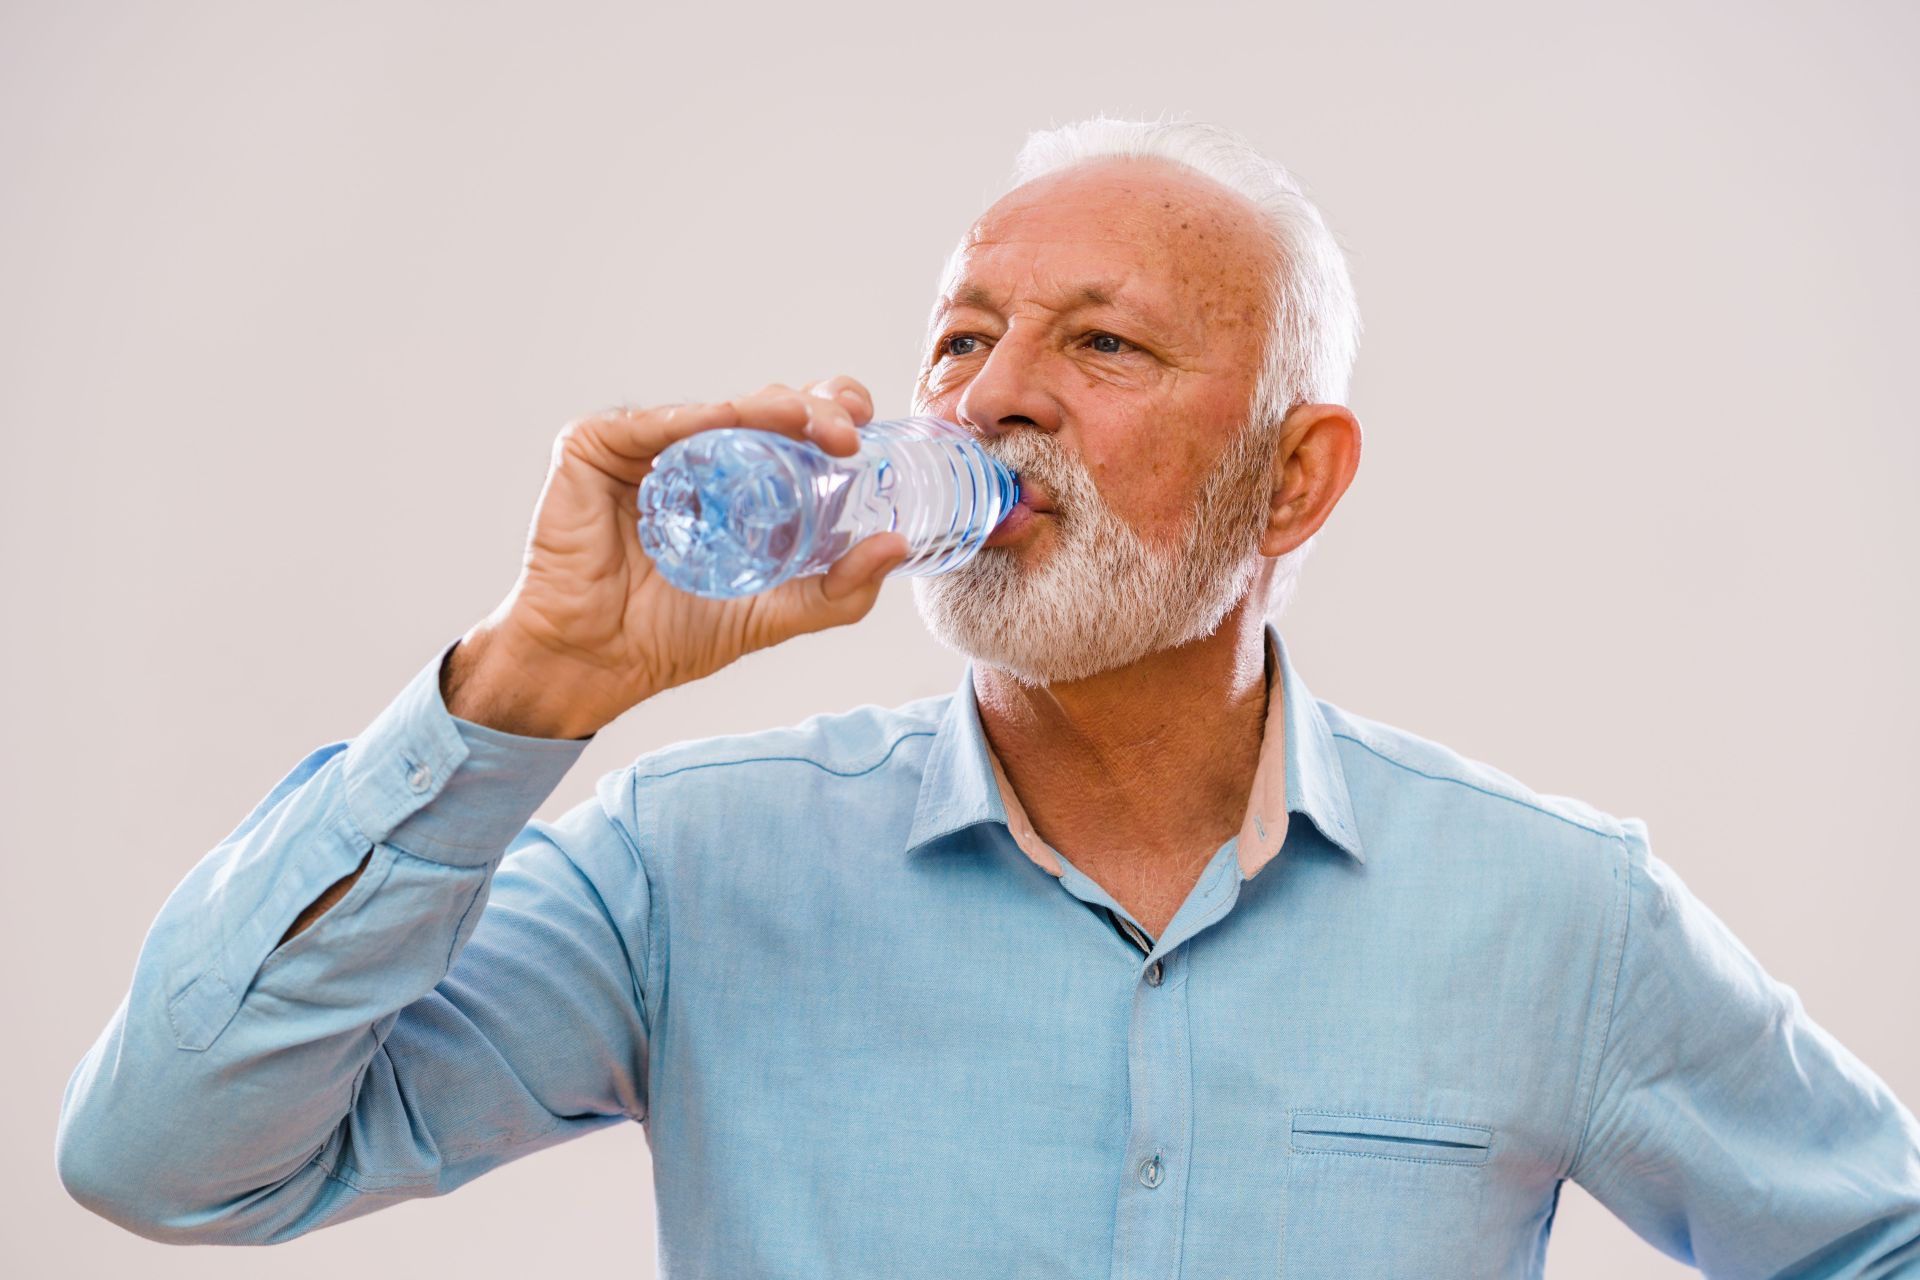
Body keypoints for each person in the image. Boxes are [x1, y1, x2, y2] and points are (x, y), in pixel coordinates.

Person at [55, 116, 1920, 1278]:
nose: (989, 398)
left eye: (1099, 342)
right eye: (963, 335)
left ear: (1295, 480)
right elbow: (171, 1164)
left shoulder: (1550, 914)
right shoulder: (691, 872)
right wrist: (526, 685)